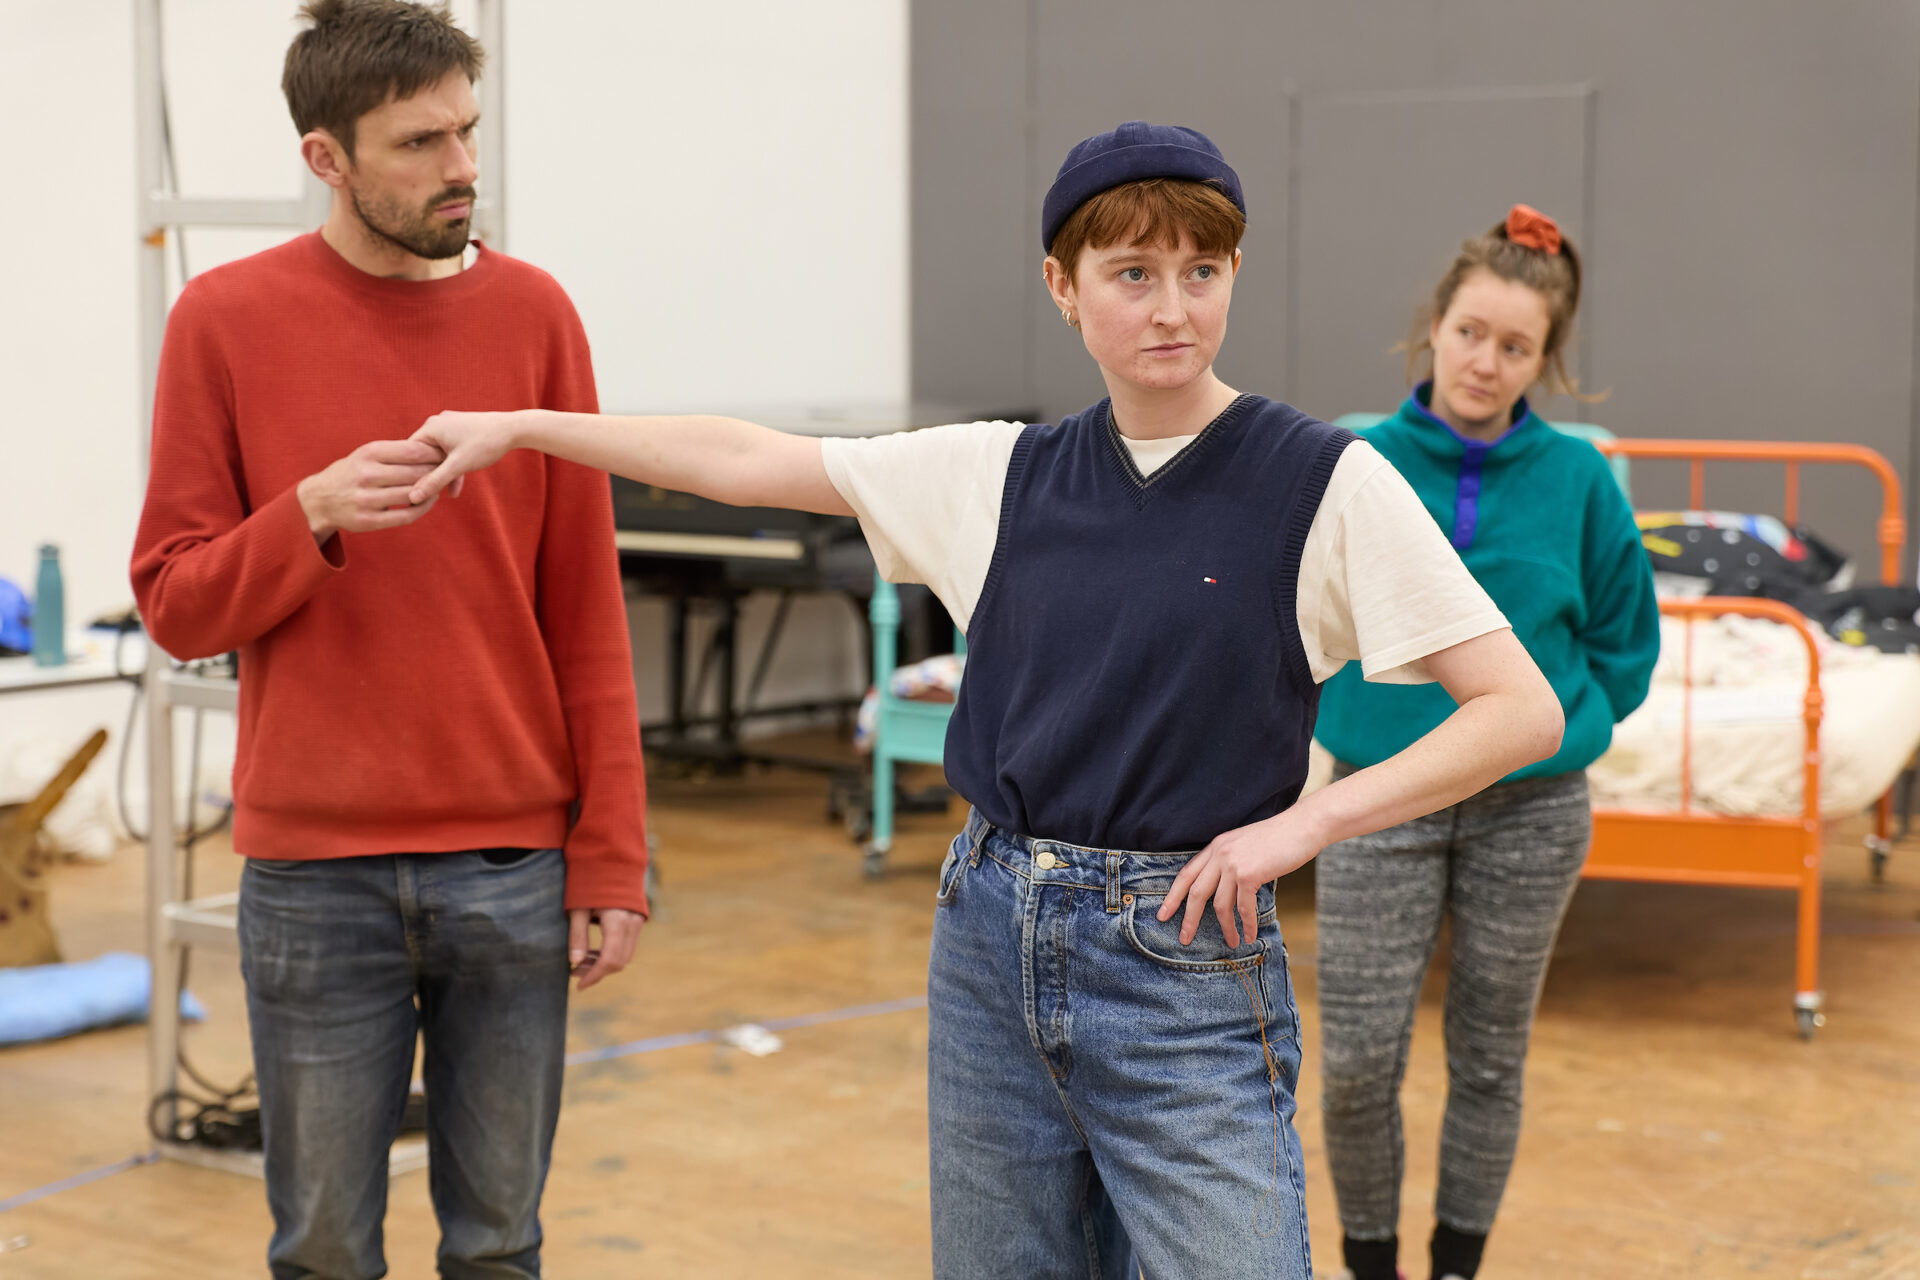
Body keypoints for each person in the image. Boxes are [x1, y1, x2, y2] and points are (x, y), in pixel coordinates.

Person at [404, 123, 1564, 1279]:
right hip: (989, 940)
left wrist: (1311, 821)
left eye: (1200, 273)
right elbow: (754, 458)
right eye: (1132, 275)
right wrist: (522, 428)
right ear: (1064, 287)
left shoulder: (1324, 479)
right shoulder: (999, 474)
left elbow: (1519, 709)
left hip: (1187, 953)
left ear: (1233, 277)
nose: (1172, 308)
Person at [129, 3, 649, 1276]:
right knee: (319, 1248)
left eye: (468, 130)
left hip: (511, 868)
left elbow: (586, 604)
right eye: (419, 143)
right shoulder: (222, 319)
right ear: (328, 158)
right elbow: (178, 601)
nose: (462, 167)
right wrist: (303, 515)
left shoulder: (537, 316)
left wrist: (612, 855)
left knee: (499, 1244)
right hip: (314, 879)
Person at [1311, 206, 1660, 1280]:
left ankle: (1458, 1264)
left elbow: (1623, 644)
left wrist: (1559, 728)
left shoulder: (1582, 482)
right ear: (1436, 324)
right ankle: (1372, 1265)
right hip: (1379, 797)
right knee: (1359, 1061)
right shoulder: (1355, 465)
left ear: (1545, 360)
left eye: (1516, 346)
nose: (1485, 361)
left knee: (1489, 1056)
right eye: (1471, 332)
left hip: (1532, 810)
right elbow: (1304, 619)